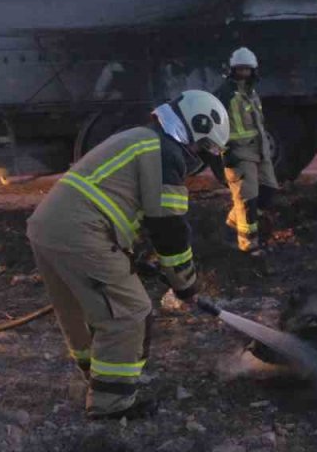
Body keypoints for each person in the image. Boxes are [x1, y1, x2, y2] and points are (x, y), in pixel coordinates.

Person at [26, 90, 229, 420]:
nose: (200, 157)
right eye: (203, 147)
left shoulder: (141, 139)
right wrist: (186, 285)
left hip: (47, 227)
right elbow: (169, 228)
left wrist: (131, 257)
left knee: (79, 311)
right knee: (130, 312)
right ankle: (111, 403)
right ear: (195, 128)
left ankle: (96, 380)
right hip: (82, 233)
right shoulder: (166, 153)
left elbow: (119, 204)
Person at [213, 47, 279, 253]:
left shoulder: (251, 92)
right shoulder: (224, 94)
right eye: (240, 69)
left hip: (260, 150)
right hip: (238, 153)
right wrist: (225, 151)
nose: (243, 73)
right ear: (232, 70)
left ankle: (232, 224)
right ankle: (249, 245)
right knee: (247, 200)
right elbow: (214, 126)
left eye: (247, 69)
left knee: (268, 191)